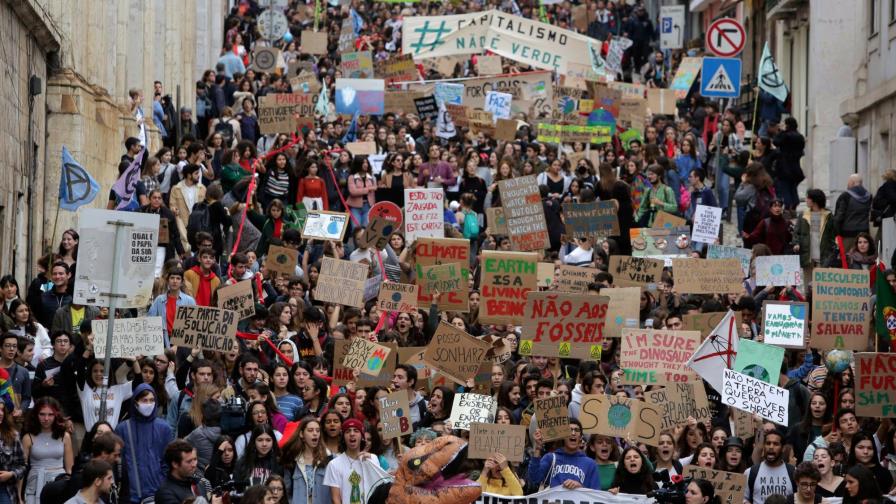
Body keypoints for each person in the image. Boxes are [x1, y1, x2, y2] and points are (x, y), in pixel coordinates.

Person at [115, 383, 173, 503]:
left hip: (156, 494)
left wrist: (160, 482)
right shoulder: (122, 428)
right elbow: (118, 461)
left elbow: (168, 461)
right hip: (130, 494)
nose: (148, 404)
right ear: (135, 402)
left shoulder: (164, 428)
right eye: (144, 400)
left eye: (152, 400)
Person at [322, 419, 390, 504]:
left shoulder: (372, 459)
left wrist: (371, 460)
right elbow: (335, 499)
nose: (352, 434)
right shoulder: (334, 464)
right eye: (348, 431)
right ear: (343, 437)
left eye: (356, 431)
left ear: (362, 437)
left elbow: (380, 486)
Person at [528, 419, 600, 490]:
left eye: (577, 430)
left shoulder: (590, 464)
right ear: (563, 436)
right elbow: (534, 479)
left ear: (581, 437)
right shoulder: (550, 458)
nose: (573, 433)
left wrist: (580, 488)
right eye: (569, 429)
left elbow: (595, 494)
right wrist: (537, 448)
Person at [154, 440, 215, 504]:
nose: (194, 465)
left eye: (195, 459)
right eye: (189, 461)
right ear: (175, 464)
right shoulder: (165, 493)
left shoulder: (199, 484)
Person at [744, 429, 795, 504]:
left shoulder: (793, 472)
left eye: (776, 444)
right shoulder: (750, 472)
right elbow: (743, 498)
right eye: (768, 443)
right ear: (764, 446)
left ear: (783, 448)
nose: (771, 447)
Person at [772, 117, 806, 210]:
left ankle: (788, 207)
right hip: (796, 167)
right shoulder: (800, 137)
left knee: (785, 189)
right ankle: (794, 204)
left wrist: (781, 131)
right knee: (793, 188)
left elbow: (776, 141)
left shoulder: (786, 135)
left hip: (784, 167)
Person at [833, 174, 872, 253]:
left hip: (847, 235)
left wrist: (836, 232)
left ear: (853, 183)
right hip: (864, 234)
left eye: (849, 182)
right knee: (862, 258)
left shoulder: (846, 196)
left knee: (846, 260)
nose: (847, 184)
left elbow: (839, 217)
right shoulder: (869, 196)